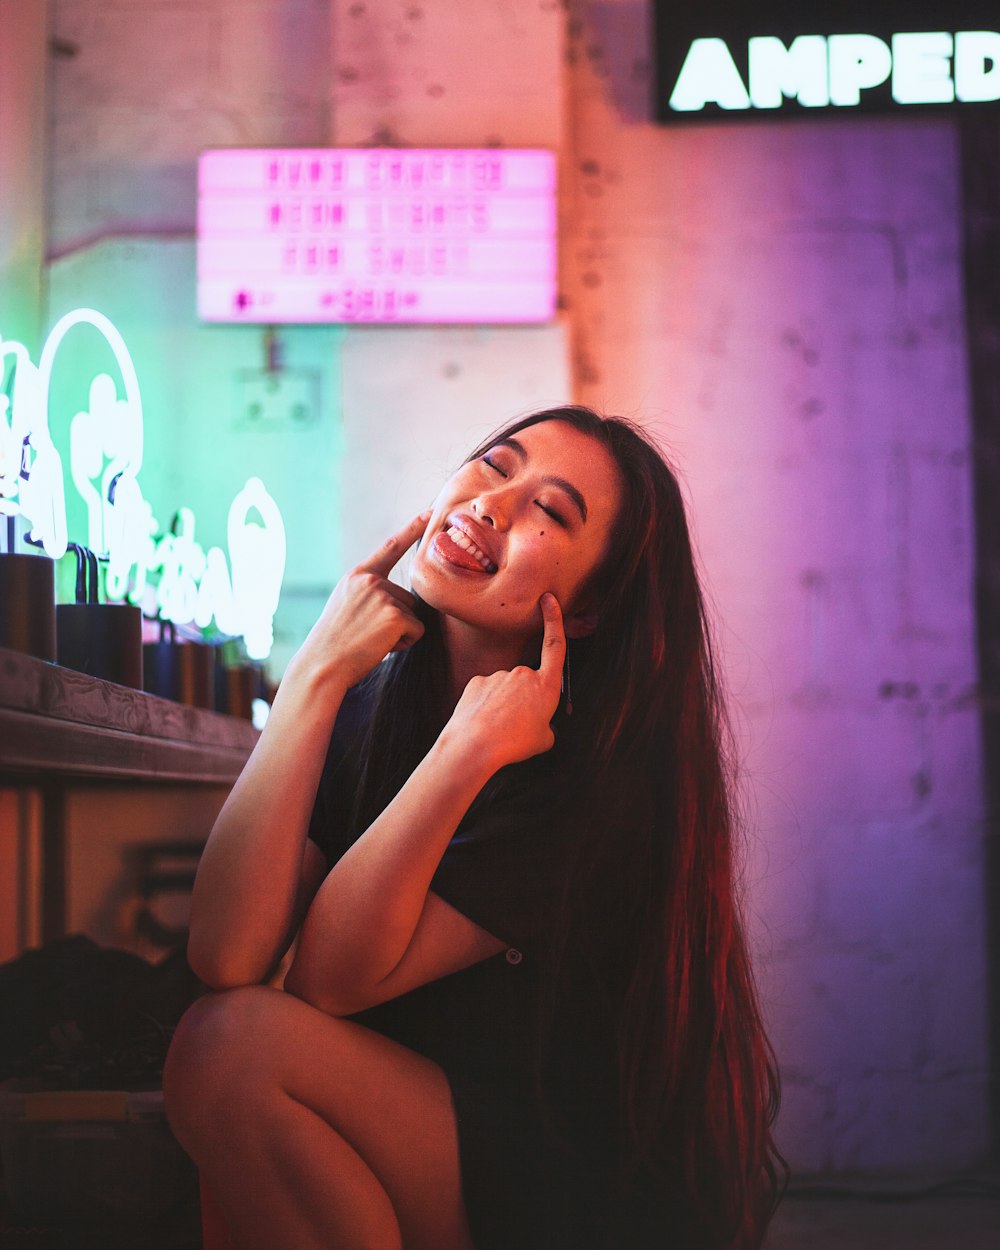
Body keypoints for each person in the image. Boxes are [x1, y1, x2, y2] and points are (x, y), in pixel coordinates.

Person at [163, 405, 785, 1250]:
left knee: (233, 1055)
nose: (494, 505)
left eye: (550, 512)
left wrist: (464, 755)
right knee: (224, 1075)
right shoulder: (381, 700)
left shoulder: (595, 768)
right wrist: (314, 673)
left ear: (592, 608)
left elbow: (332, 982)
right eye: (495, 467)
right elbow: (226, 952)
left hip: (578, 1180)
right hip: (437, 1128)